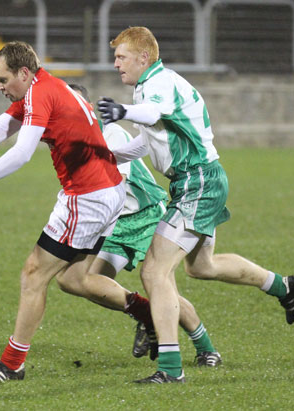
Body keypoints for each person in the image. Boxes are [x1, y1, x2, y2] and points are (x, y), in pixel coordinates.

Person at [0, 41, 160, 383]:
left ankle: (12, 365)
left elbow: (22, 153)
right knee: (73, 279)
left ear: (23, 73)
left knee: (33, 274)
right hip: (109, 190)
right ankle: (149, 314)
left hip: (87, 196)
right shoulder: (42, 88)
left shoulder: (41, 94)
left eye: (2, 79)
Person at [97, 26, 294, 384]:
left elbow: (150, 113)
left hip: (198, 180)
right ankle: (282, 286)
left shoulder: (157, 85)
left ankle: (171, 368)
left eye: (121, 57)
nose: (115, 63)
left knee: (153, 272)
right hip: (199, 180)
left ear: (143, 57)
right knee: (202, 266)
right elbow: (150, 142)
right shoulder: (151, 86)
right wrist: (107, 156)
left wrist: (123, 110)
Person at [61, 84, 221, 367]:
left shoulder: (109, 133)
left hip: (145, 214)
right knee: (79, 280)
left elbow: (112, 185)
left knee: (159, 283)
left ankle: (205, 348)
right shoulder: (68, 142)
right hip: (115, 221)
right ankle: (147, 315)